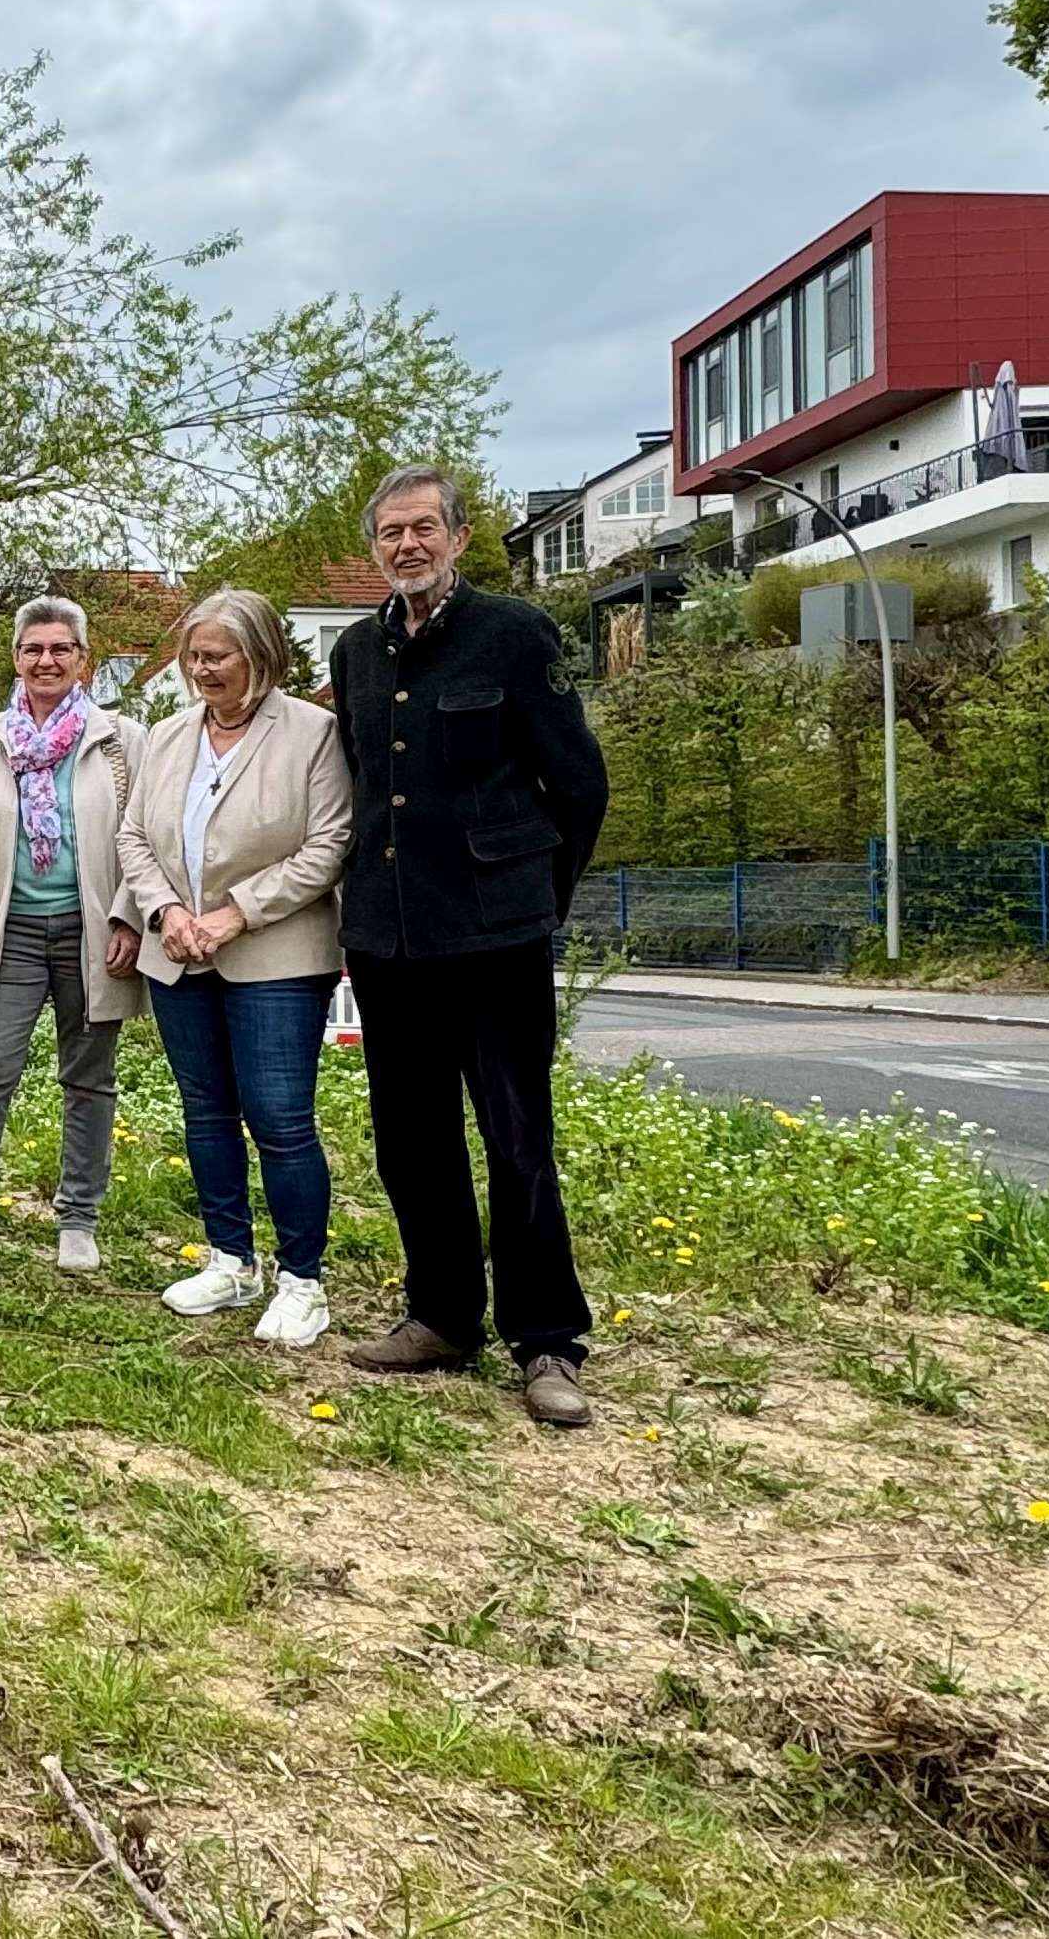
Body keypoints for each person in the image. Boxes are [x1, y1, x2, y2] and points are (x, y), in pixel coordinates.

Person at [330, 462, 610, 1427]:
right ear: (375, 548)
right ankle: (442, 1316)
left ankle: (546, 1341)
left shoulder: (515, 635)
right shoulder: (359, 653)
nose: (406, 545)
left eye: (423, 529)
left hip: (496, 936)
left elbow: (578, 785)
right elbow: (370, 782)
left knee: (517, 1137)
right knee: (411, 1140)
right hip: (390, 936)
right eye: (390, 533)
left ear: (457, 536)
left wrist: (533, 895)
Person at [115, 588, 354, 1342]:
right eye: (194, 655)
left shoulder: (313, 733)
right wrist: (167, 913)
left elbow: (329, 843)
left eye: (217, 654)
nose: (201, 668)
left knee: (280, 1118)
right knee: (206, 1111)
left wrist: (233, 913)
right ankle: (230, 1258)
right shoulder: (169, 734)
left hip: (275, 954)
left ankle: (302, 1280)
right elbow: (132, 837)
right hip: (178, 952)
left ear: (261, 653)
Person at [0, 597, 146, 1281]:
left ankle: (78, 1218)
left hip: (93, 931)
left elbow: (148, 840)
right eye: (33, 650)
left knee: (90, 1078)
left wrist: (130, 917)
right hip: (11, 930)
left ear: (84, 659)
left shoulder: (121, 741)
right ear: (16, 659)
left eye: (61, 649)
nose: (46, 661)